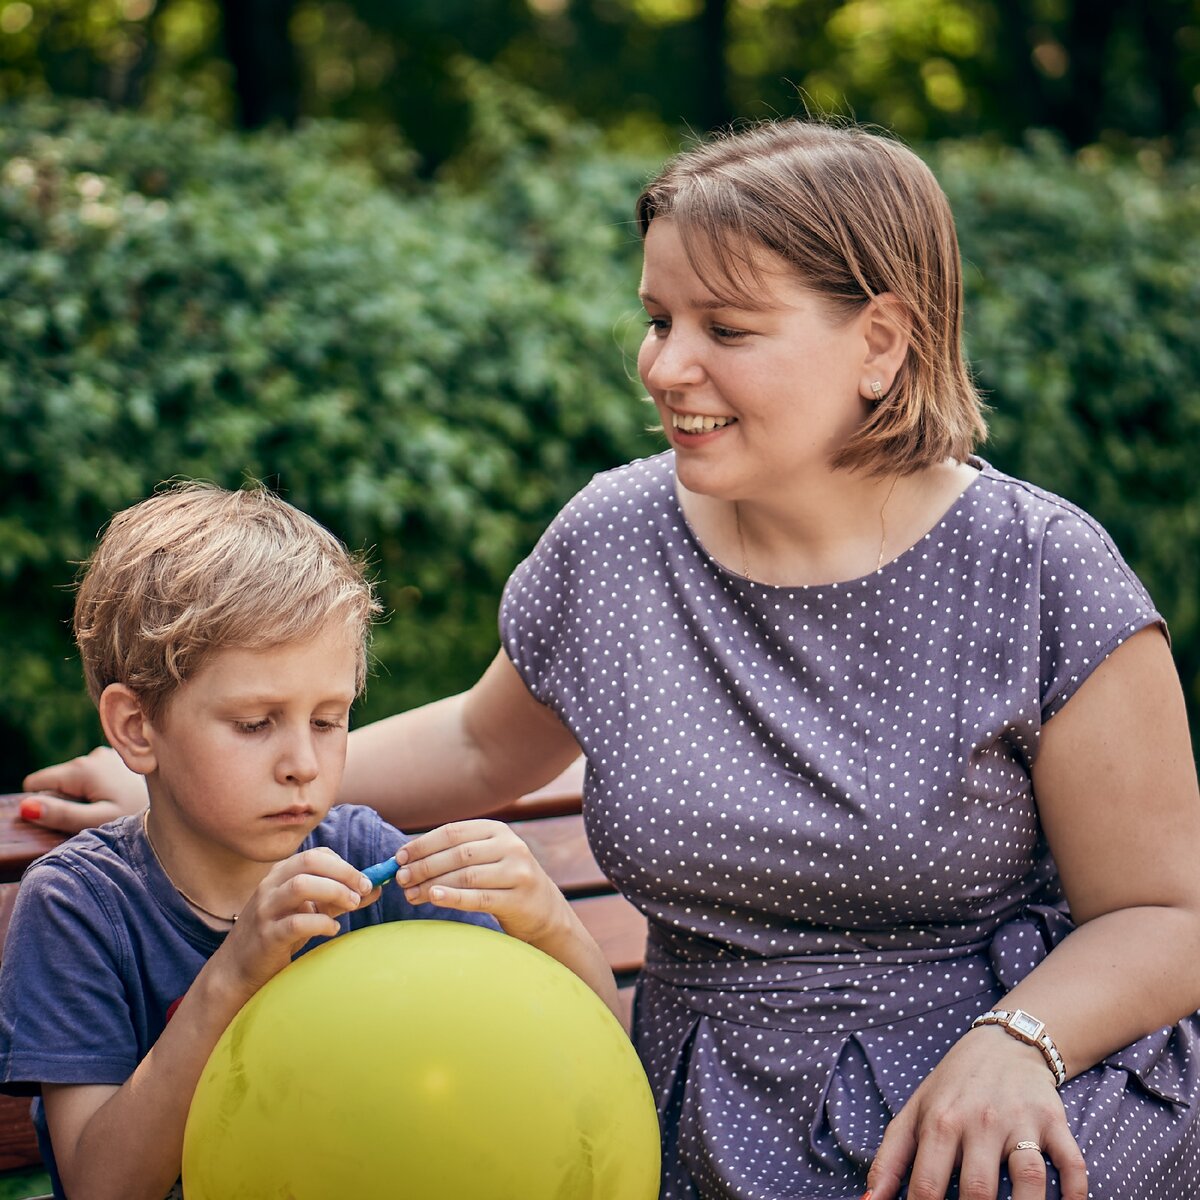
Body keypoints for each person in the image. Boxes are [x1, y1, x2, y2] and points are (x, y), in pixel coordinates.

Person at [22, 119, 1200, 1200]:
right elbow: (485, 741)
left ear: (880, 341)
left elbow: (1163, 911)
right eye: (658, 318)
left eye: (724, 329)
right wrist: (168, 781)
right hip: (713, 1120)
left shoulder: (1040, 568)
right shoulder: (617, 541)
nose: (663, 365)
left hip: (1013, 1086)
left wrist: (1017, 1042)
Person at [0, 482, 619, 1200]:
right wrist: (233, 975)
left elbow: (587, 1059)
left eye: (328, 720)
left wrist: (552, 923)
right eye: (256, 723)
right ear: (138, 729)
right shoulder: (81, 907)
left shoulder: (366, 860)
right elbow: (101, 1187)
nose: (303, 762)